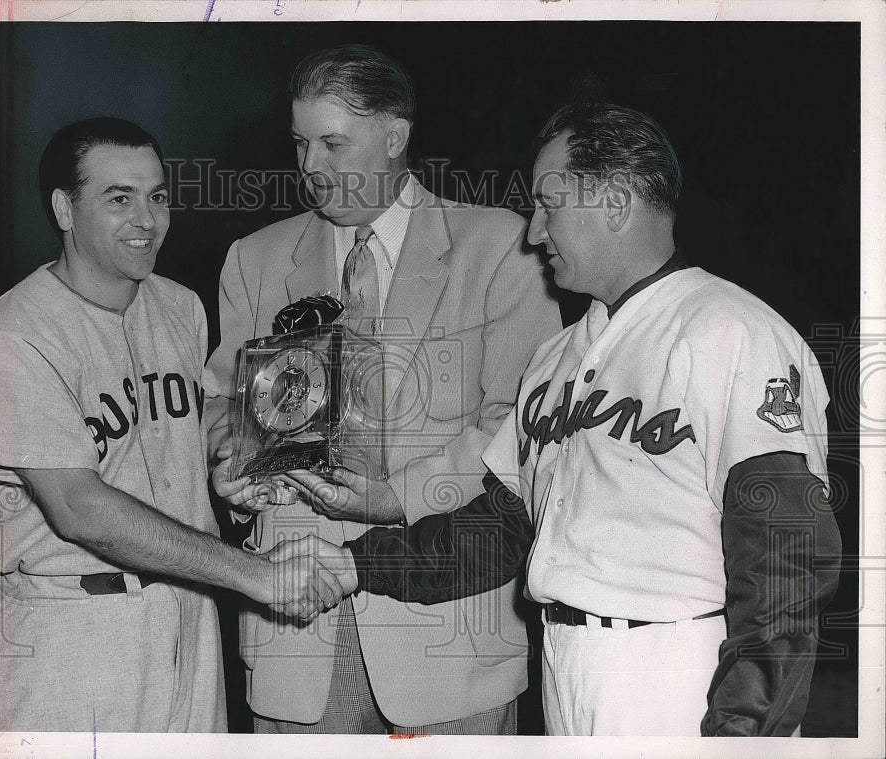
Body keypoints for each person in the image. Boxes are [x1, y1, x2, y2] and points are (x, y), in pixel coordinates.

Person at [273, 97, 843, 736]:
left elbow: (786, 564)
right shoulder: (555, 358)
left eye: (549, 203)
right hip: (562, 667)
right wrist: (355, 564)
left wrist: (744, 737)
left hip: (679, 673)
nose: (533, 231)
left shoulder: (732, 332)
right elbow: (499, 531)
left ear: (616, 204)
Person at [0, 117, 347, 733]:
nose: (147, 219)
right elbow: (79, 507)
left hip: (187, 619)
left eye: (157, 196)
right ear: (64, 209)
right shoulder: (11, 340)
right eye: (118, 198)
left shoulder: (178, 306)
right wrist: (255, 575)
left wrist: (234, 459)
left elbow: (189, 420)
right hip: (65, 635)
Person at [204, 45, 561, 734]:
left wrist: (397, 495)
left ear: (395, 136)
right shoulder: (253, 259)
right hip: (294, 632)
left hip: (447, 641)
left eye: (334, 144)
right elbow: (225, 408)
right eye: (302, 144)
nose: (311, 168)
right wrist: (232, 472)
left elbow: (516, 425)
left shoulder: (500, 247)